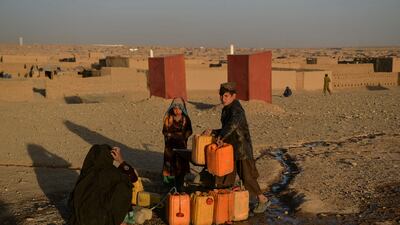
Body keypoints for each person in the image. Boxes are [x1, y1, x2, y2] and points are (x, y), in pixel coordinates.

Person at [203, 82, 270, 214]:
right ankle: (225, 203)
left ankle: (263, 200)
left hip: (241, 149)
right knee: (226, 174)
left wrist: (221, 136)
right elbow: (227, 128)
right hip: (230, 148)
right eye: (222, 96)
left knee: (247, 177)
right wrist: (213, 132)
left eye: (226, 96)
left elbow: (233, 125)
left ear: (234, 96)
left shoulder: (236, 109)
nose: (223, 98)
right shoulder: (226, 109)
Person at [69, 144, 137, 225]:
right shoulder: (115, 174)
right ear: (109, 157)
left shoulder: (85, 176)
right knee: (124, 187)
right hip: (106, 220)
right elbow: (133, 178)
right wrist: (121, 161)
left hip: (83, 221)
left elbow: (72, 203)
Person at [162, 97, 193, 191]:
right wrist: (171, 135)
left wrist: (182, 137)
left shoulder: (185, 119)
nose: (176, 110)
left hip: (181, 147)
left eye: (178, 108)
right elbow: (165, 131)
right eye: (174, 108)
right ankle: (169, 188)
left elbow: (189, 131)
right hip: (170, 148)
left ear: (182, 108)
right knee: (169, 167)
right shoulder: (168, 118)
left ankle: (180, 186)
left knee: (180, 167)